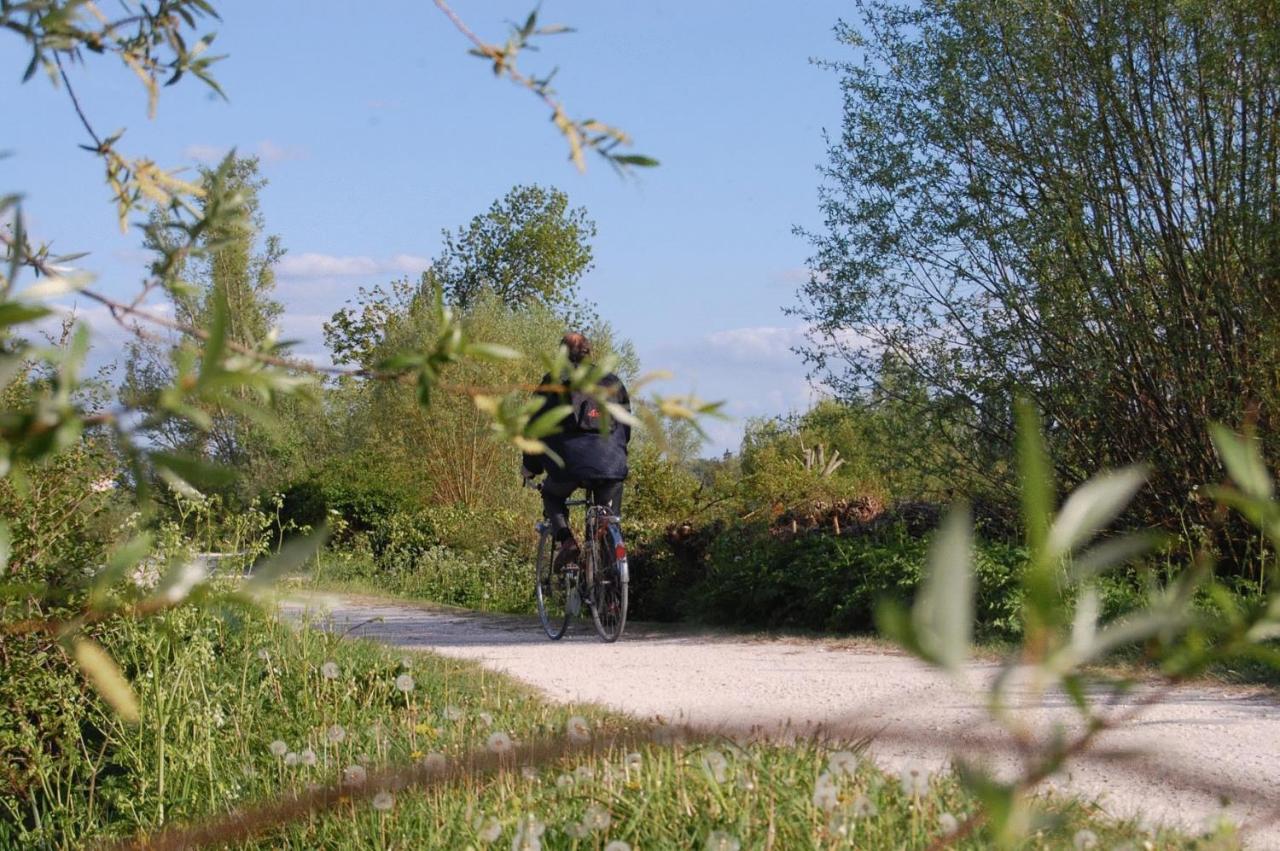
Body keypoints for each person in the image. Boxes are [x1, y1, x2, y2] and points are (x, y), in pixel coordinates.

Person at [521, 332, 631, 569]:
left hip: (568, 466)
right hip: (611, 464)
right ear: (589, 353)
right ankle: (610, 595)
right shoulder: (612, 382)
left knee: (551, 495)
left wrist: (531, 467)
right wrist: (619, 456)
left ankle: (567, 541)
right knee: (607, 521)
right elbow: (626, 427)